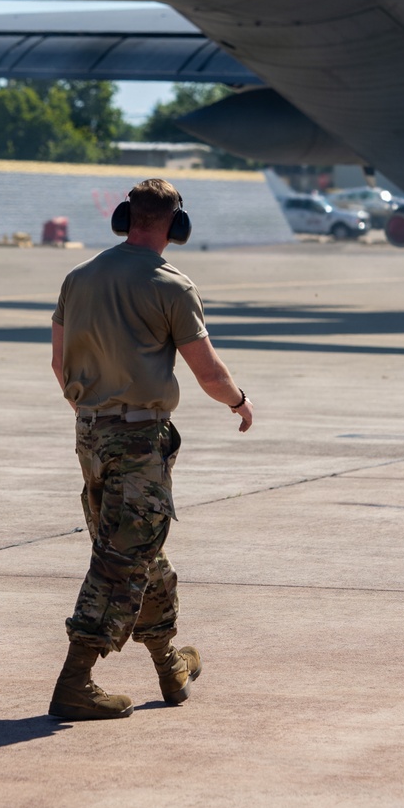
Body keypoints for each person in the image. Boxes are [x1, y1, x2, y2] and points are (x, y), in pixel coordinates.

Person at [47, 177, 253, 721]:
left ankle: (169, 663)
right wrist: (239, 402)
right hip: (139, 439)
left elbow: (58, 363)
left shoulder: (79, 278)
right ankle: (75, 681)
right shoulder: (172, 285)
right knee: (121, 559)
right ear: (175, 226)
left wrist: (94, 417)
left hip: (91, 435)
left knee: (141, 553)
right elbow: (207, 372)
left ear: (125, 217)